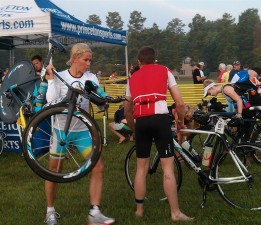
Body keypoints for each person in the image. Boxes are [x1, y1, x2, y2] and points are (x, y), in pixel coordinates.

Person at [44, 43, 115, 225]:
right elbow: (51, 101)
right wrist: (51, 80)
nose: (89, 63)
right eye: (86, 59)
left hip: (83, 130)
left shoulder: (91, 78)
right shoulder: (61, 76)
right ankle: (50, 211)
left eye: (90, 60)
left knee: (97, 166)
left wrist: (102, 101)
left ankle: (95, 212)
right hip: (61, 130)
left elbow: (98, 101)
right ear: (75, 58)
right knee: (54, 171)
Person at [124, 46, 194, 221]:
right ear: (155, 59)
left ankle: (139, 211)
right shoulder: (165, 71)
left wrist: (134, 130)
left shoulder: (132, 78)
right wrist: (181, 122)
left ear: (139, 62)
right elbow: (179, 102)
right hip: (160, 120)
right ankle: (175, 213)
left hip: (141, 121)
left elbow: (127, 111)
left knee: (141, 169)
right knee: (168, 169)